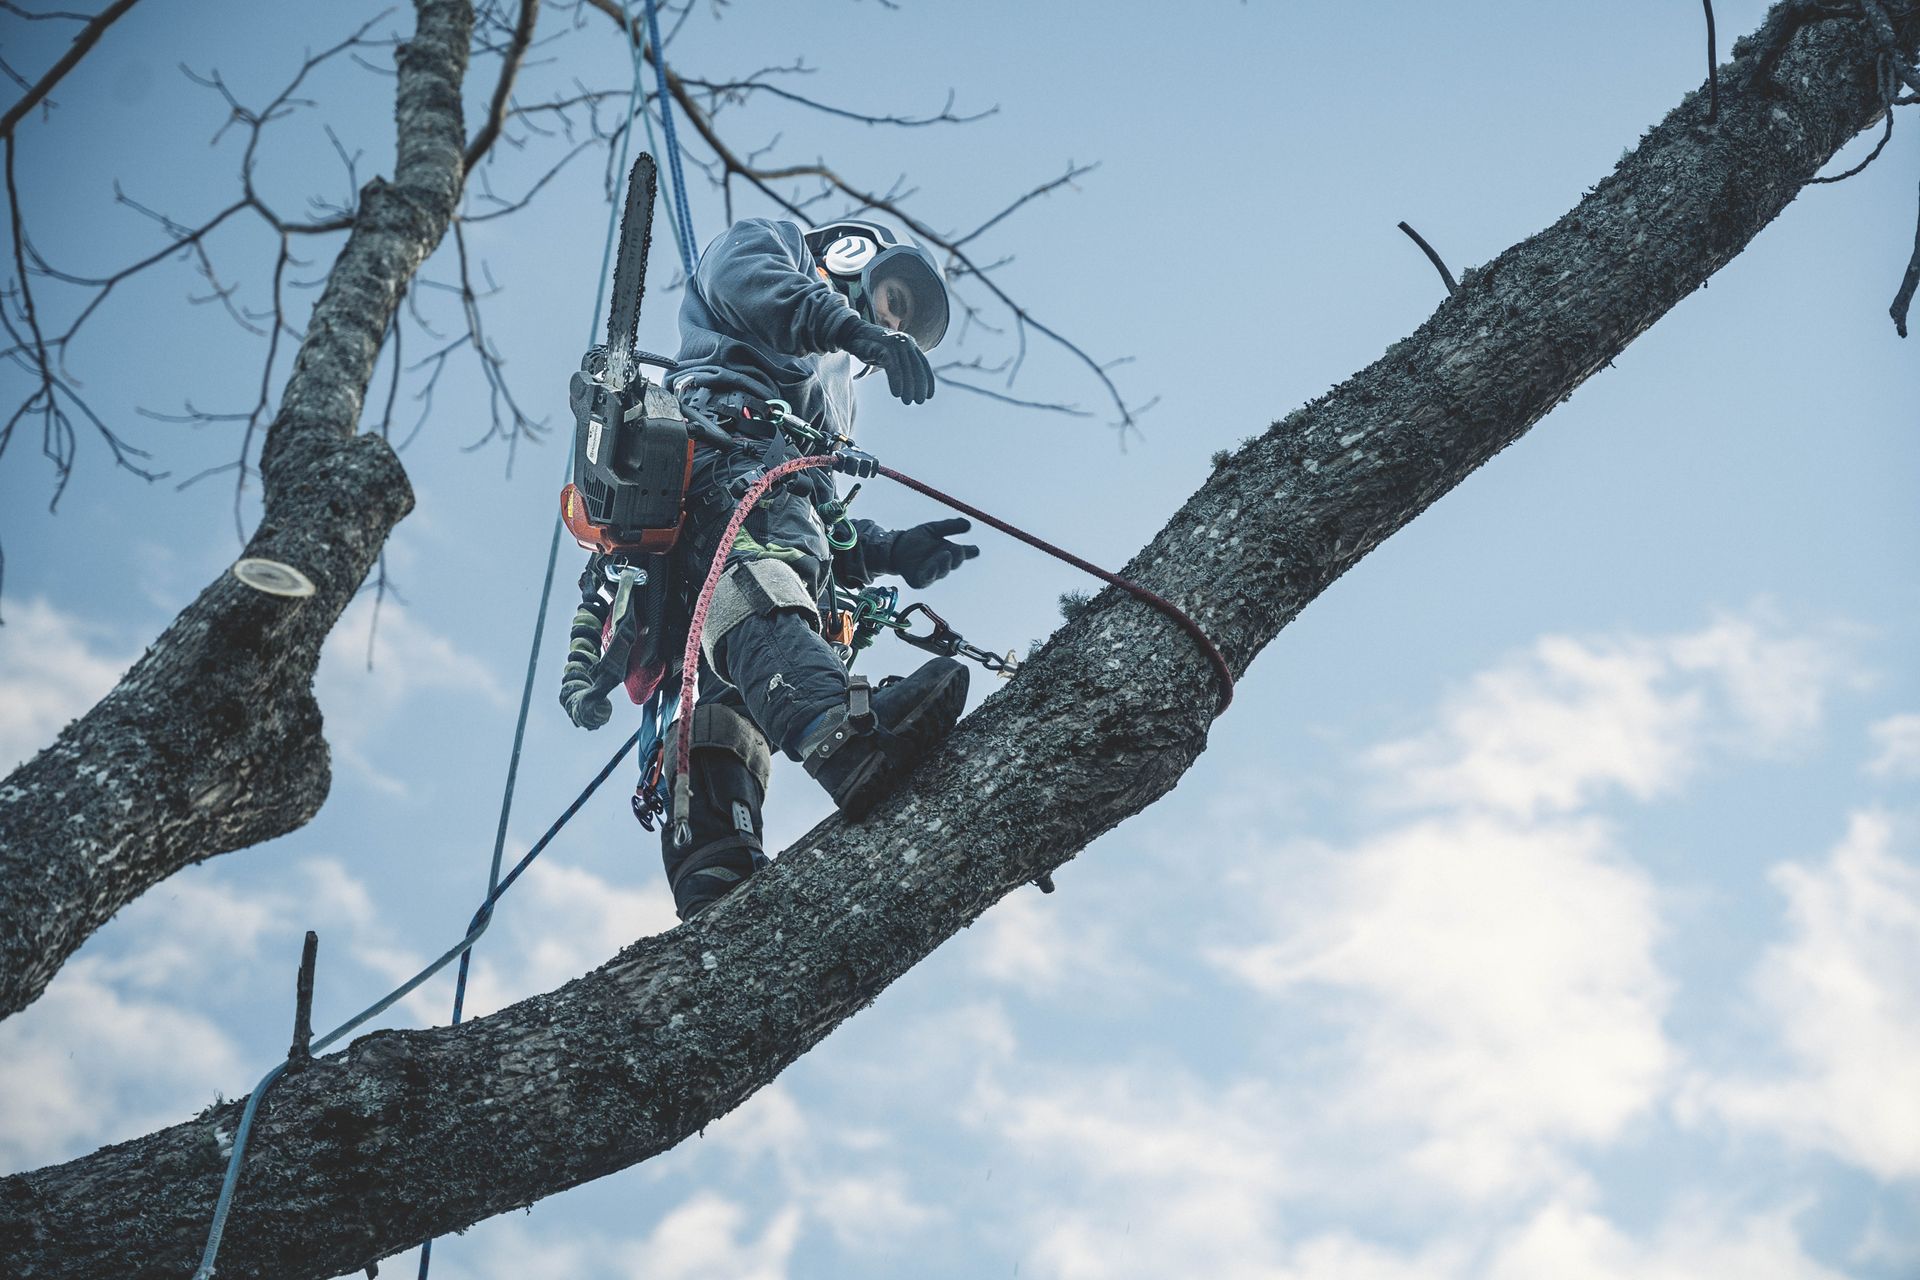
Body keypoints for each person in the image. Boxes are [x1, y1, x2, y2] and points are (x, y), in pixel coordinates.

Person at [659, 216, 980, 921]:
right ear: (852, 256)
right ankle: (843, 739)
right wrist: (859, 333)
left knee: (731, 692)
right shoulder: (770, 250)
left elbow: (817, 507)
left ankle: (715, 859)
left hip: (778, 520)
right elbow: (759, 290)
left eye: (897, 319)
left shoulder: (837, 394)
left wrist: (893, 549)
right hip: (720, 465)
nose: (885, 318)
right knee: (749, 591)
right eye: (890, 299)